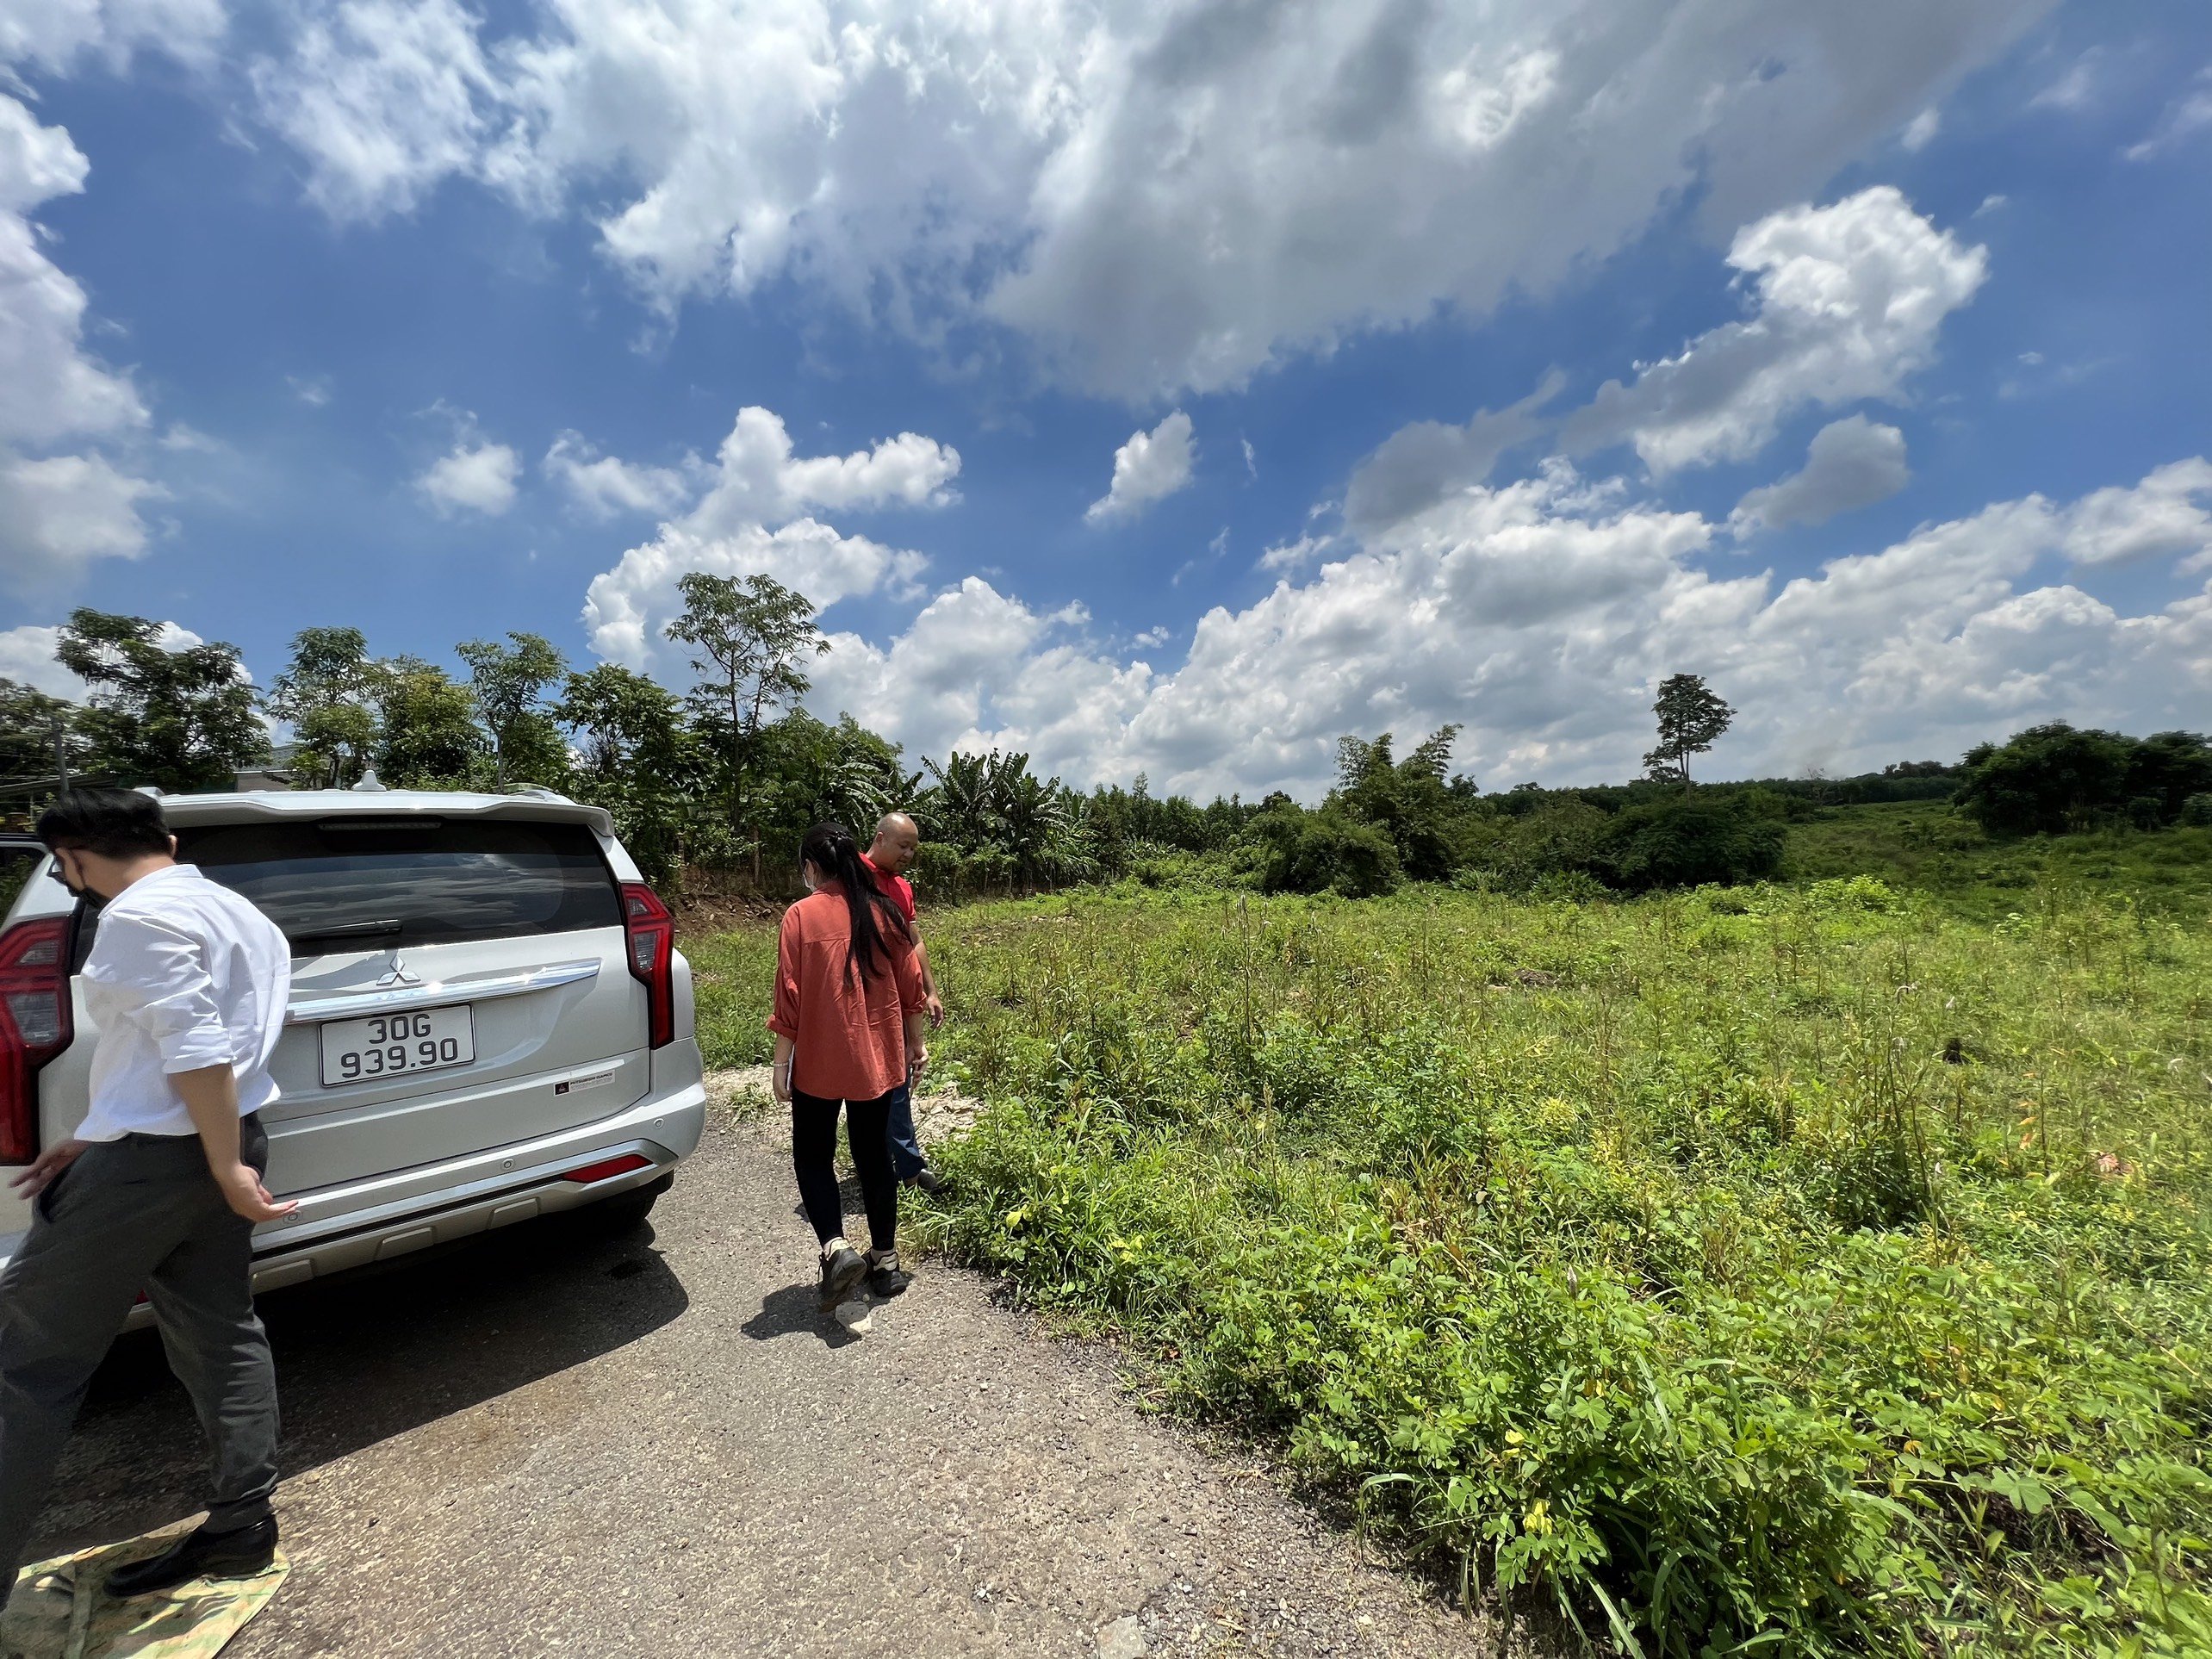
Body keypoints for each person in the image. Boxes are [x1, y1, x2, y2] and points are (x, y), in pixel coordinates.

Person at [0, 788, 295, 1602]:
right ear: (164, 838)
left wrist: (213, 1163)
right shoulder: (240, 913)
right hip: (218, 1139)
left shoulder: (134, 917)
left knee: (24, 1362)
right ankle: (241, 1526)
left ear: (71, 858)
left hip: (160, 1161)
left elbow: (197, 1048)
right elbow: (171, 1051)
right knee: (220, 1328)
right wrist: (103, 1129)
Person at [769, 822, 929, 1310]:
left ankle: (836, 1248)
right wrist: (914, 1046)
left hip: (818, 1063)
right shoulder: (886, 911)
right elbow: (912, 987)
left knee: (814, 1155)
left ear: (813, 866)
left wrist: (781, 1063)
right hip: (876, 1063)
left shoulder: (800, 916)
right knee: (874, 1158)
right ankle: (885, 1264)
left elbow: (789, 994)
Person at [859, 812, 946, 1193]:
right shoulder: (851, 878)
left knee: (896, 1079)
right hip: (858, 998)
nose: (909, 853)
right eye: (903, 845)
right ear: (880, 839)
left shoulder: (902, 888)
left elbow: (915, 941)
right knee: (866, 1084)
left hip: (895, 1001)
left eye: (914, 847)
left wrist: (930, 989)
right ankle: (885, 1162)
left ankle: (907, 1166)